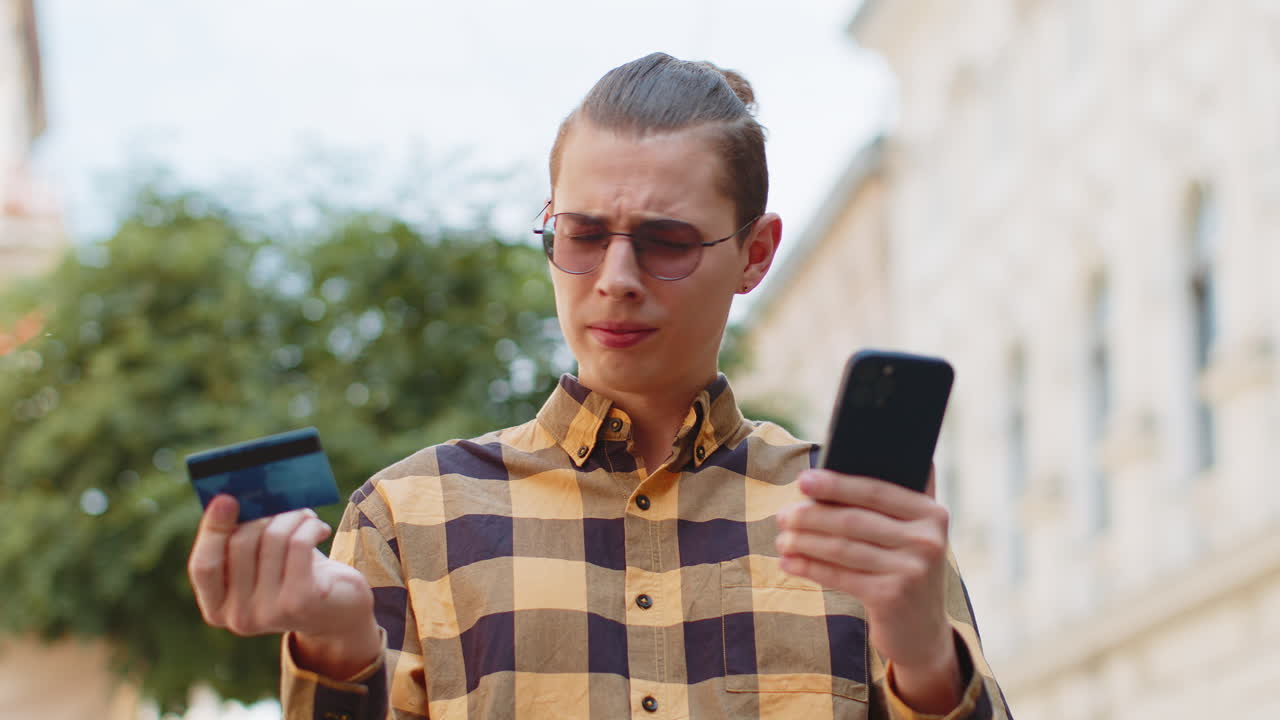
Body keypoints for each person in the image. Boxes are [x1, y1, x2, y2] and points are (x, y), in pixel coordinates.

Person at [188, 52, 1012, 720]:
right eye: (583, 235)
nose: (616, 278)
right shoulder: (409, 517)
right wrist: (337, 650)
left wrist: (923, 659)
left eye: (666, 242)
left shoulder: (855, 518)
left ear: (755, 254)